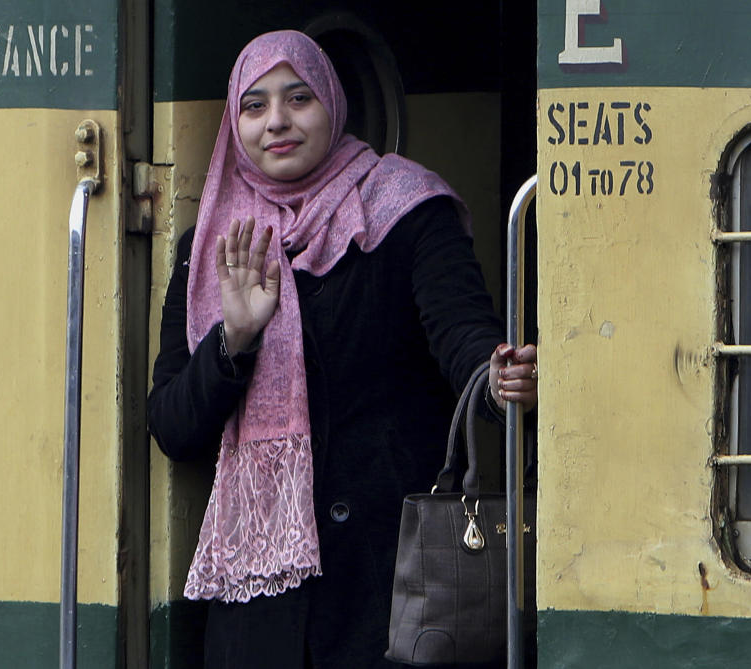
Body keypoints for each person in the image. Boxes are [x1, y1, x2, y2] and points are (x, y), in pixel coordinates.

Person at [147, 30, 537, 669]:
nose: (277, 121)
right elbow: (173, 427)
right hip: (260, 614)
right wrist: (233, 340)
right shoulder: (212, 246)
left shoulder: (406, 209)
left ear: (333, 101)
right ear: (234, 122)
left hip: (389, 590)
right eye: (254, 106)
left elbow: (463, 336)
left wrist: (498, 382)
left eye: (298, 98)